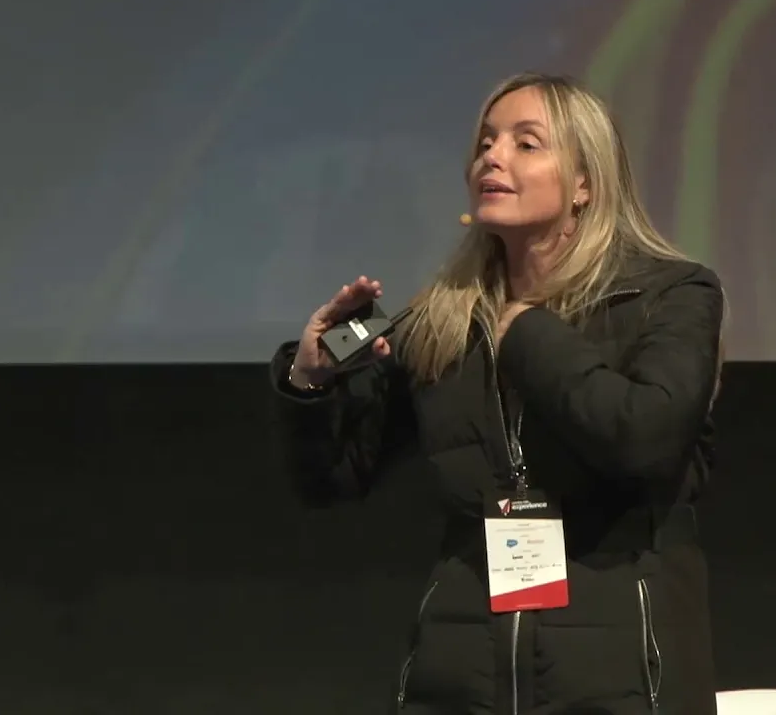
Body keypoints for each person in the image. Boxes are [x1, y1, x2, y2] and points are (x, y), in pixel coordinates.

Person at [270, 72, 725, 715]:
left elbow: (645, 441)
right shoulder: (438, 320)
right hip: (462, 681)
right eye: (486, 142)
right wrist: (311, 379)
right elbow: (333, 479)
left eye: (525, 143)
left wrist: (525, 329)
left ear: (585, 183)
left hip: (623, 681)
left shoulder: (669, 295)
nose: (492, 156)